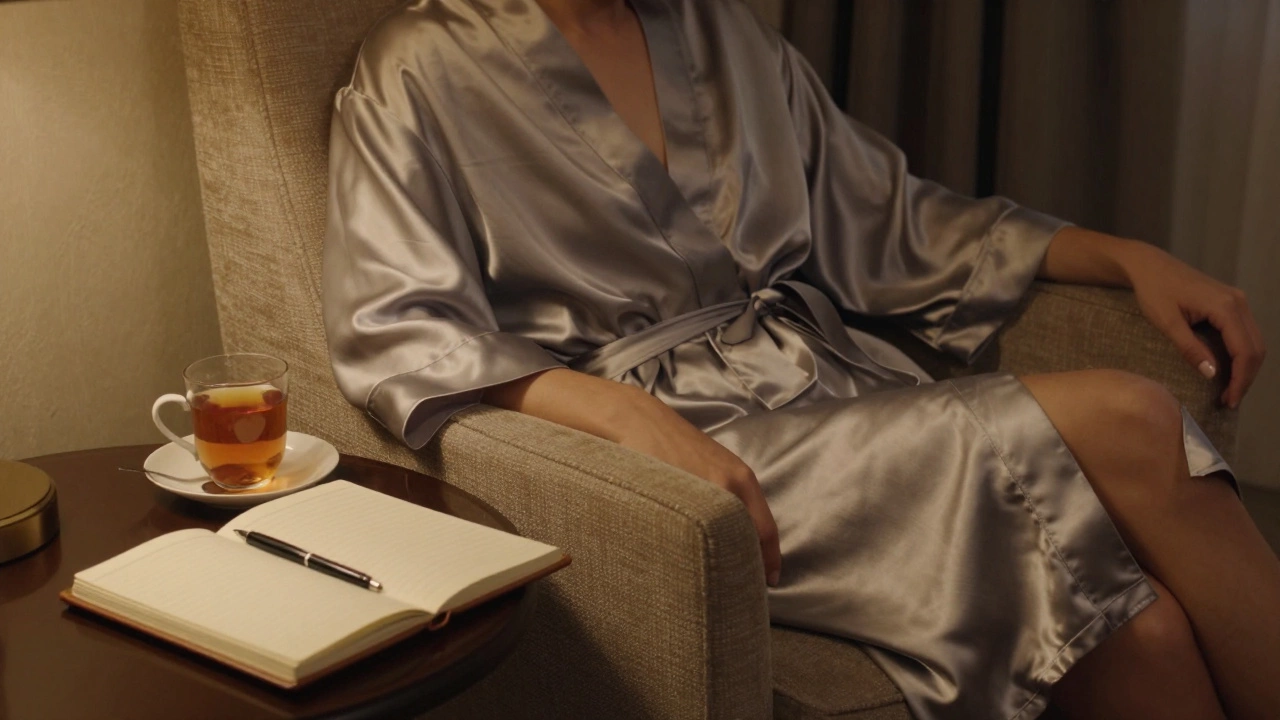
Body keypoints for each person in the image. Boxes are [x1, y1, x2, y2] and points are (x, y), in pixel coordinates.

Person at [322, 0, 1276, 717]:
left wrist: (1126, 258)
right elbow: (398, 324)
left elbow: (898, 222)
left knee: (1141, 628)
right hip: (686, 459)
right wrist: (624, 414)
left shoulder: (723, 37)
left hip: (829, 398)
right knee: (1139, 421)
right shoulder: (419, 65)